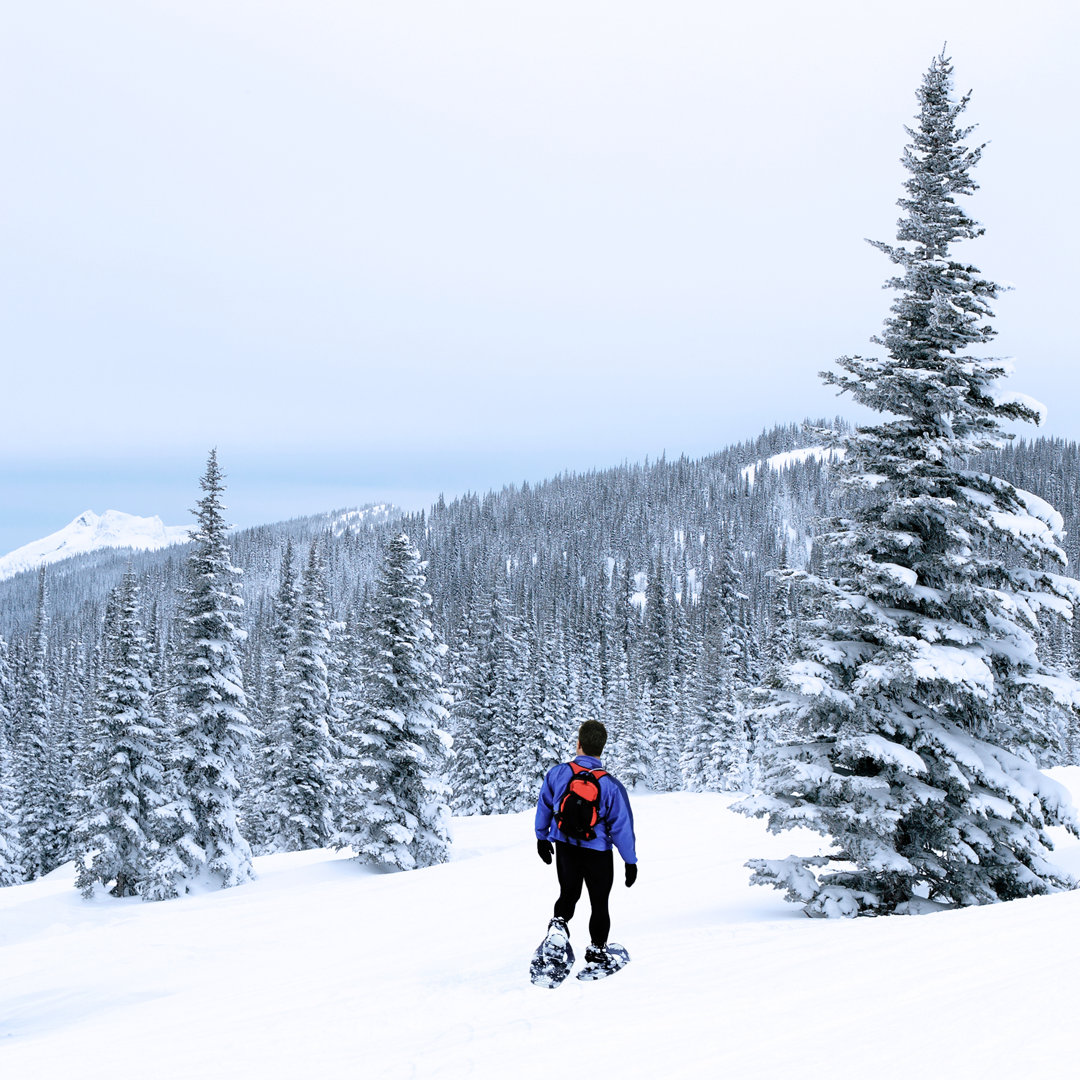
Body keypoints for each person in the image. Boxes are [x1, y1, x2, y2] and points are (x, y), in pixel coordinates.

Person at [534, 718, 637, 972]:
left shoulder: (558, 773)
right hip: (598, 853)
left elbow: (545, 805)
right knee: (599, 902)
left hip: (565, 847)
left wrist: (541, 837)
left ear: (578, 744)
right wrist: (630, 861)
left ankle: (558, 931)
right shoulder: (611, 785)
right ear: (601, 749)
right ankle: (597, 952)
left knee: (568, 894)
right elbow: (622, 827)